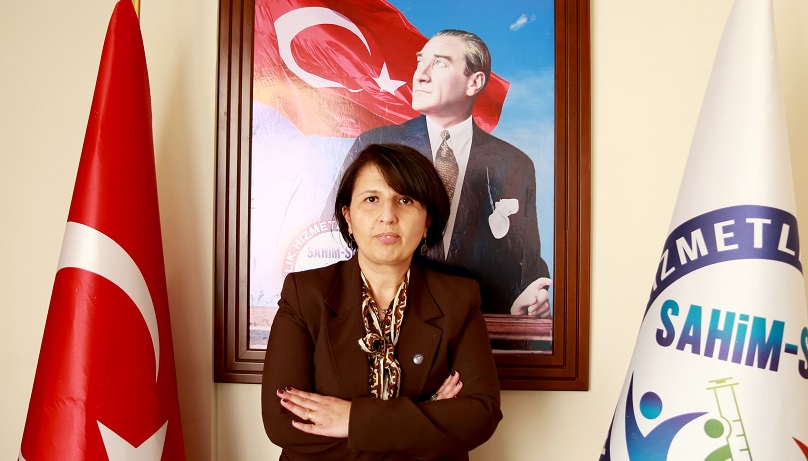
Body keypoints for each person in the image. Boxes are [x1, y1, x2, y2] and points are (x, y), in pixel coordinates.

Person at [262, 144, 502, 460]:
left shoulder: (459, 298)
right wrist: (424, 419)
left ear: (427, 221)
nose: (388, 216)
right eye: (372, 199)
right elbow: (284, 422)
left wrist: (351, 420)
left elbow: (479, 416)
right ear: (348, 216)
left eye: (405, 200)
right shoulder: (305, 293)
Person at [325, 29, 552, 317]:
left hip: (479, 320)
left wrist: (532, 293)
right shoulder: (375, 145)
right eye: (421, 62)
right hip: (388, 319)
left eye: (440, 63)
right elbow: (335, 230)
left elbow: (526, 257)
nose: (420, 75)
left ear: (474, 82)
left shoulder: (514, 163)